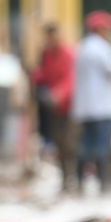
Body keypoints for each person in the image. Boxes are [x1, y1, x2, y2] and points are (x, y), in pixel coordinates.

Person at [71, 11, 111, 193]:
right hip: (103, 107)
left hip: (84, 107)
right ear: (100, 28)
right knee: (102, 146)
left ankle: (79, 181)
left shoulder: (82, 47)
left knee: (85, 145)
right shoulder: (102, 48)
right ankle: (104, 183)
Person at [33, 22, 77, 179]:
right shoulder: (46, 55)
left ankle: (74, 175)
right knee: (58, 142)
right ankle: (65, 176)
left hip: (69, 105)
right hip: (53, 106)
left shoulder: (68, 54)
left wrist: (59, 94)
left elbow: (70, 79)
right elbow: (43, 75)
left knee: (70, 142)